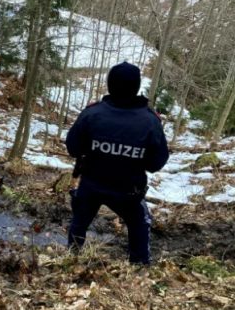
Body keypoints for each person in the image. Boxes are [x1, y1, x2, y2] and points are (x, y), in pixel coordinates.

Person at [65, 62, 169, 265]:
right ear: (136, 86)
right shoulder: (150, 121)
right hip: (128, 191)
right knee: (139, 224)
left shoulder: (92, 114)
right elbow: (156, 162)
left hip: (92, 185)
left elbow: (73, 148)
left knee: (79, 222)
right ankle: (139, 267)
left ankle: (71, 260)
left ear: (110, 84)